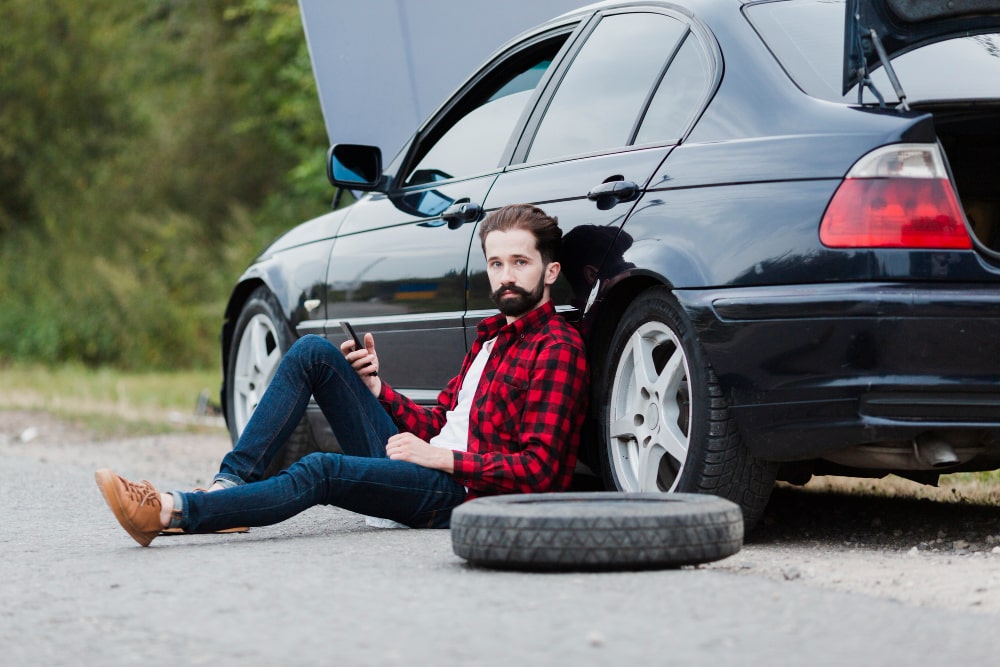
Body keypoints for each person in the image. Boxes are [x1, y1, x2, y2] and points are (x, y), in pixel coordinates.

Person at [96, 203, 589, 546]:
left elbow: (541, 471)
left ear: (549, 271)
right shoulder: (489, 338)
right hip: (427, 463)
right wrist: (377, 390)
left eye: (520, 262)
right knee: (313, 351)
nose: (505, 276)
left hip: (457, 494)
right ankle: (230, 489)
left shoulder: (557, 349)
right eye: (496, 263)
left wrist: (441, 459)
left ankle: (170, 509)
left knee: (321, 468)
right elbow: (439, 419)